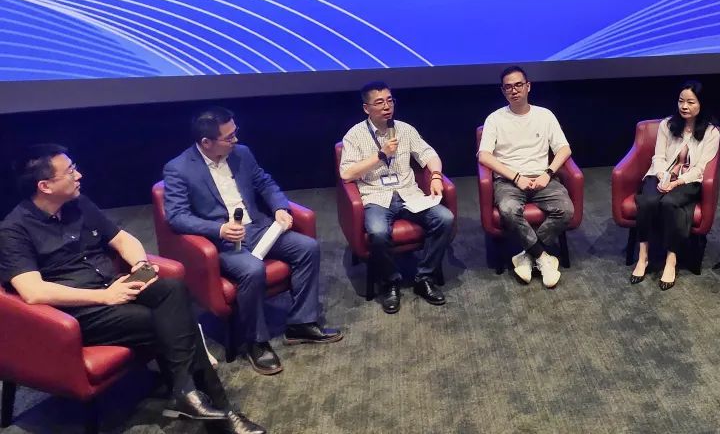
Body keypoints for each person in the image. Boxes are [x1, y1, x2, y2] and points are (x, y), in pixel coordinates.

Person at [0, 145, 265, 434]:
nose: (79, 175)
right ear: (45, 186)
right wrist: (104, 297)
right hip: (76, 314)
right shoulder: (14, 230)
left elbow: (124, 240)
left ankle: (184, 390)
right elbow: (33, 291)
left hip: (113, 287)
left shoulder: (78, 204)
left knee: (173, 288)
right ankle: (222, 415)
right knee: (173, 322)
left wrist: (140, 266)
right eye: (70, 171)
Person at [163, 107, 341, 376]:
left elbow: (265, 183)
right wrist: (219, 229)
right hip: (221, 241)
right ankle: (256, 342)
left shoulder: (242, 153)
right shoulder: (178, 169)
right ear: (206, 142)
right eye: (228, 137)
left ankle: (301, 323)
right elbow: (177, 217)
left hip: (257, 227)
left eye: (235, 133)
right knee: (252, 270)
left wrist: (280, 207)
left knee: (308, 248)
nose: (235, 140)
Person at [338, 81, 455, 314]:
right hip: (376, 196)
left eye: (389, 101)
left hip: (409, 193)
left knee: (445, 219)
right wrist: (381, 155)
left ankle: (424, 277)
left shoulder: (405, 129)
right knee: (378, 232)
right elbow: (347, 173)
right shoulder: (354, 135)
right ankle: (390, 282)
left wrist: (435, 176)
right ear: (366, 108)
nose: (386, 107)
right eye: (379, 102)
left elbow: (429, 154)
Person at [478, 66, 573, 288]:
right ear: (503, 91)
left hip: (542, 178)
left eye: (518, 85)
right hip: (509, 180)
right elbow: (484, 155)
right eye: (508, 87)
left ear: (528, 86)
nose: (514, 90)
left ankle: (527, 255)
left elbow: (564, 149)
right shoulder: (495, 119)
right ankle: (542, 256)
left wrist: (548, 173)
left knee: (566, 210)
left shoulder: (545, 115)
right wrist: (516, 177)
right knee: (508, 210)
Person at [629, 80, 720, 290]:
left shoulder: (712, 132)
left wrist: (677, 182)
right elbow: (658, 157)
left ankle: (671, 260)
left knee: (670, 203)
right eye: (681, 101)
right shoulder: (667, 125)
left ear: (702, 104)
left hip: (688, 180)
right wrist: (663, 176)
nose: (684, 106)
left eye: (690, 102)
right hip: (661, 174)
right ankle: (642, 257)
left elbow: (701, 168)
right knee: (647, 201)